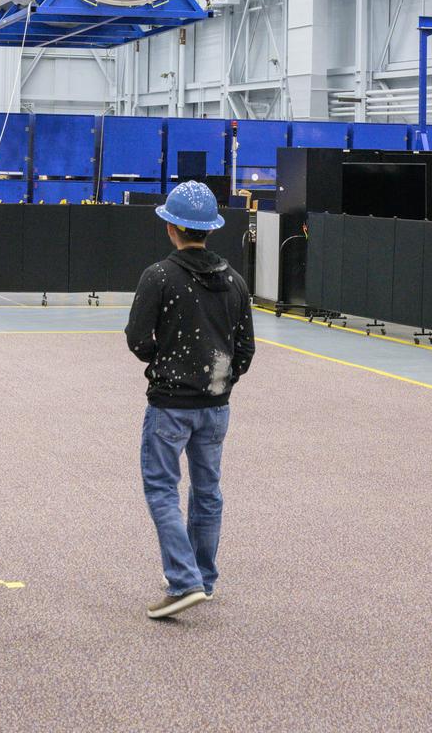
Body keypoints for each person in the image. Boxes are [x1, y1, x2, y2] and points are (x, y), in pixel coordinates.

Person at [125, 181, 255, 621]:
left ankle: (184, 581)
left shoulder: (159, 276)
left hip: (170, 405)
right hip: (216, 406)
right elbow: (245, 351)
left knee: (162, 488)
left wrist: (162, 362)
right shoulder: (235, 282)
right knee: (208, 490)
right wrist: (222, 380)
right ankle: (203, 577)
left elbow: (138, 339)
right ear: (210, 230)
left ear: (171, 228)